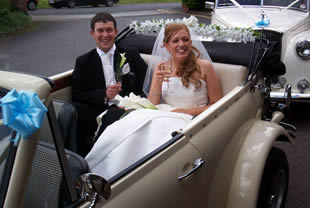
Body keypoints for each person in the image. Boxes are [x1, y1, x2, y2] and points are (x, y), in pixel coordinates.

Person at [85, 23, 222, 180]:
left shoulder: (204, 67)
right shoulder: (161, 67)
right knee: (127, 131)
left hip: (191, 118)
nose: (181, 44)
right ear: (165, 45)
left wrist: (185, 112)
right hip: (162, 113)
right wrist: (156, 81)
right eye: (175, 41)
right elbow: (153, 104)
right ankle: (105, 174)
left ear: (191, 42)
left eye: (185, 40)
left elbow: (217, 106)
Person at [71, 12, 147, 156]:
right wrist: (104, 94)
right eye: (100, 30)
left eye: (109, 30)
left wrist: (134, 102)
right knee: (70, 111)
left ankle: (95, 158)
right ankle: (71, 155)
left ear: (116, 32)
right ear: (92, 33)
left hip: (126, 107)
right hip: (98, 108)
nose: (105, 35)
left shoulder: (131, 55)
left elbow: (145, 83)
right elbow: (78, 94)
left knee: (113, 115)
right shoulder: (83, 61)